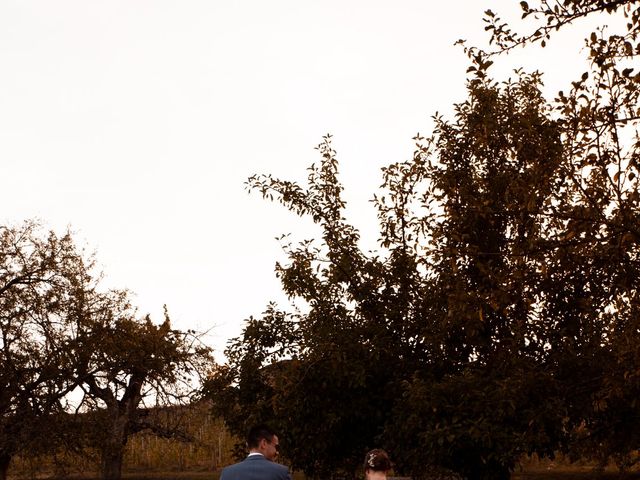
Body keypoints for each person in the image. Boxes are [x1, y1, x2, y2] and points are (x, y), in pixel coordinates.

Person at [220, 424, 292, 480]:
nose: (277, 452)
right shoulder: (281, 473)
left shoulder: (227, 473)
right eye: (275, 446)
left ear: (247, 445)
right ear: (264, 443)